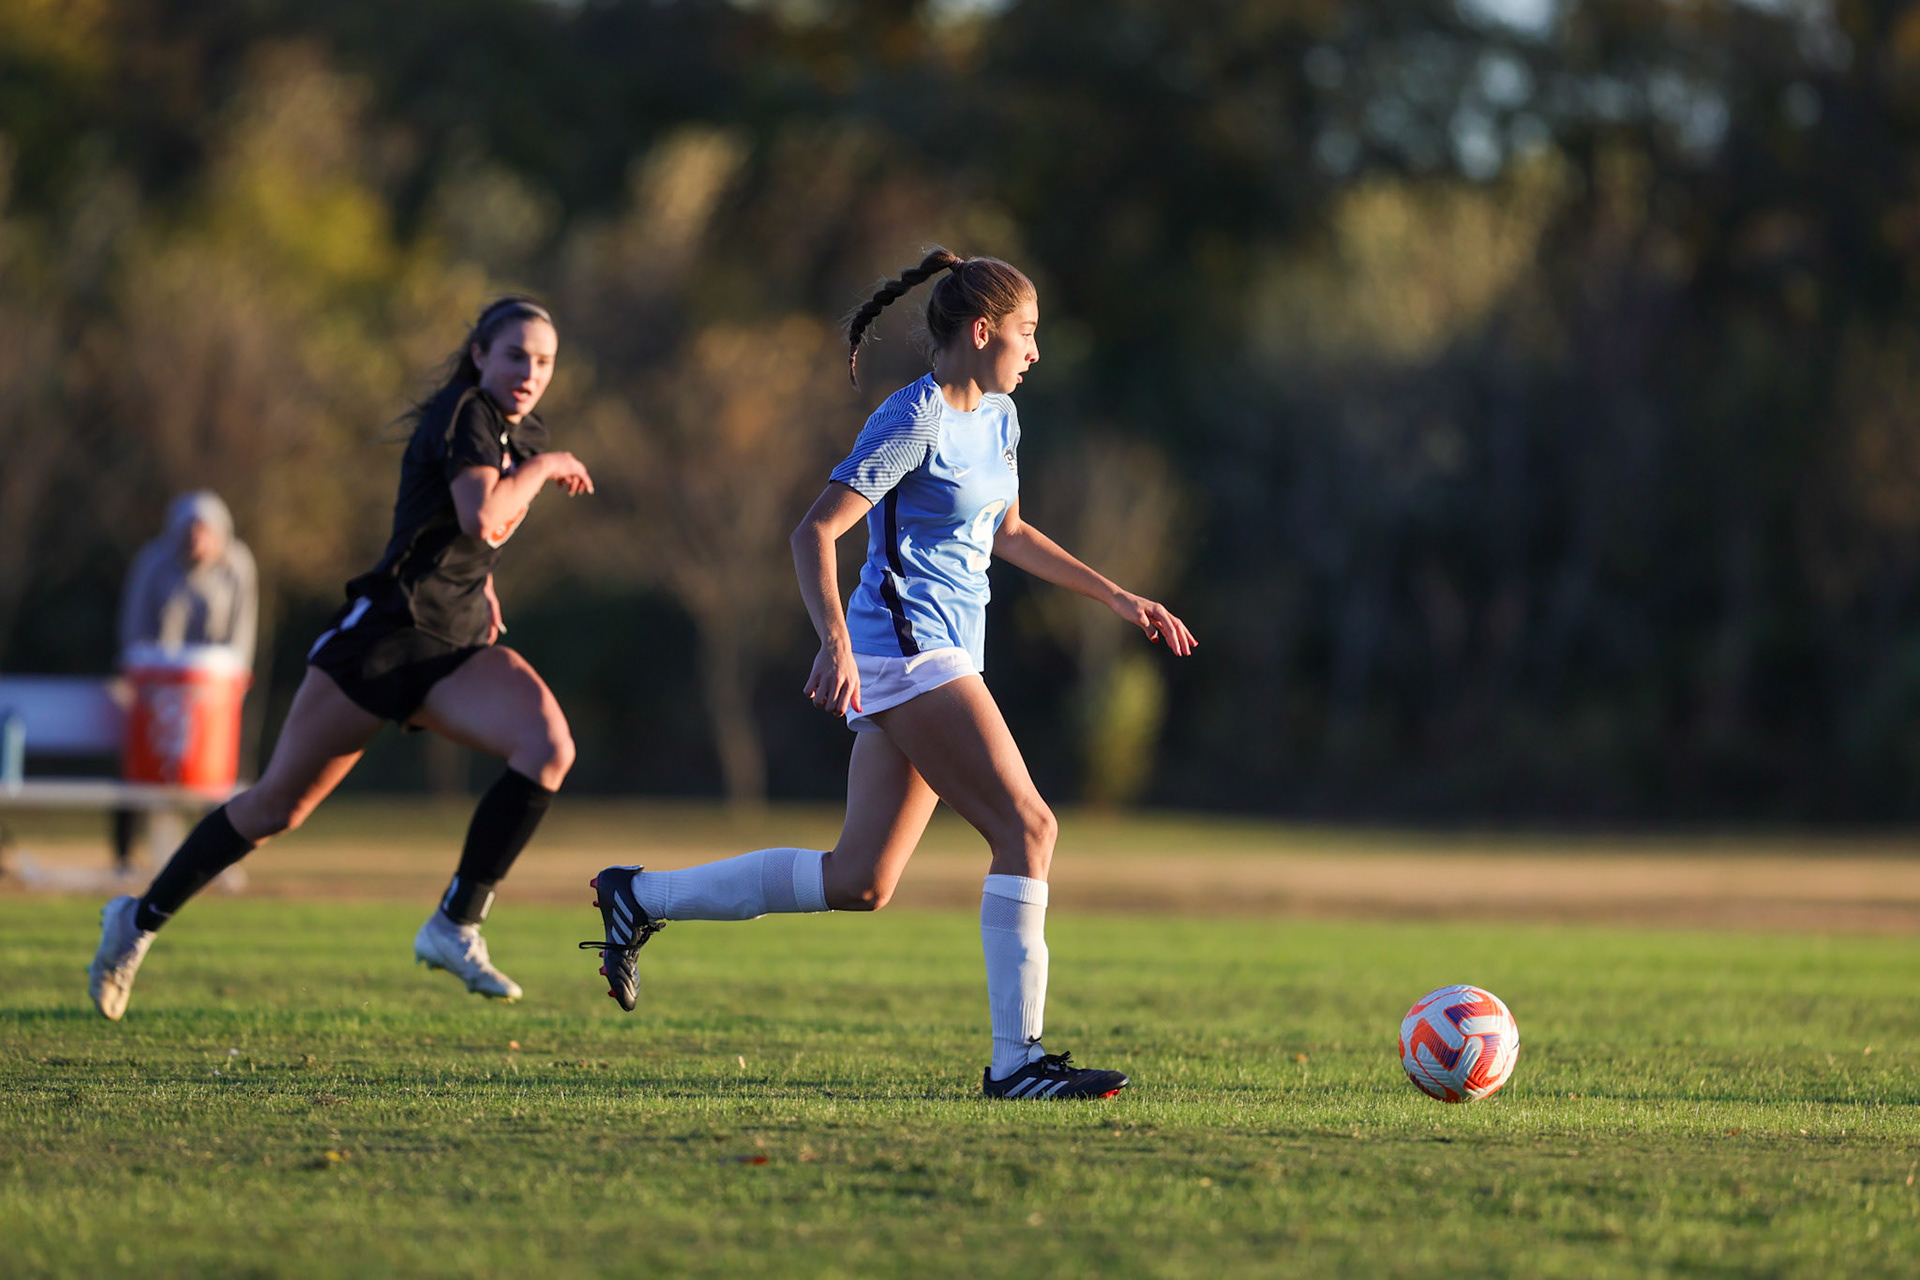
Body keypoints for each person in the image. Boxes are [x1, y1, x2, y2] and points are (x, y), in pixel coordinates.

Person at [583, 249, 1197, 1099]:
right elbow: (815, 532)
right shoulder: (913, 419)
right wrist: (835, 640)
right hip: (908, 655)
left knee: (860, 880)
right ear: (982, 333)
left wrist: (1117, 595)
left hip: (933, 653)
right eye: (1027, 334)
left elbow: (1009, 531)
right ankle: (1018, 1063)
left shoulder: (1000, 419)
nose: (1036, 352)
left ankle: (639, 896)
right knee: (1031, 828)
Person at [87, 296, 592, 1020]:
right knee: (273, 808)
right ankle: (134, 923)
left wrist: (484, 583)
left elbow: (463, 530)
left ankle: (455, 923)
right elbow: (484, 512)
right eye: (516, 354)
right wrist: (544, 468)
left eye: (544, 361)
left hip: (454, 644)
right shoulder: (467, 416)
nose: (530, 372)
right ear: (481, 354)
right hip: (383, 642)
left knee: (547, 746)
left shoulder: (516, 431)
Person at [113, 491, 259, 871]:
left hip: (213, 692)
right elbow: (134, 626)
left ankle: (224, 858)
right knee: (138, 768)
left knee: (221, 773)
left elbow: (242, 630)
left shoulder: (236, 565)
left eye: (204, 530)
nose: (196, 538)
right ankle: (125, 856)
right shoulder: (154, 562)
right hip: (157, 689)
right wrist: (139, 672)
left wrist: (235, 674)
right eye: (189, 529)